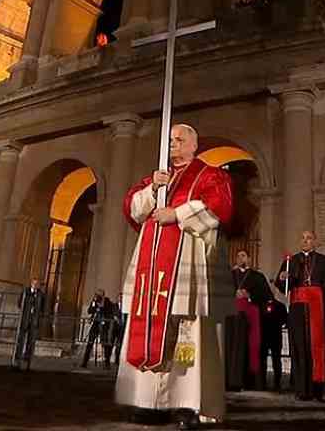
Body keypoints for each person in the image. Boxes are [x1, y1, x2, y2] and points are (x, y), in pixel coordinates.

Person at [116, 123, 235, 430]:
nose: (173, 144)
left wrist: (177, 214)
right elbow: (132, 210)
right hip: (150, 269)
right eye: (170, 140)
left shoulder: (211, 175)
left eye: (180, 139)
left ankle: (186, 404)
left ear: (195, 145)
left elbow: (220, 208)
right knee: (146, 329)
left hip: (186, 267)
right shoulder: (156, 176)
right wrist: (152, 189)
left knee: (187, 332)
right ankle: (146, 403)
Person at [275, 230, 325, 401]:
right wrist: (282, 278)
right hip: (297, 309)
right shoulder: (291, 261)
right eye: (302, 238)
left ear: (315, 242)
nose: (305, 241)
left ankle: (320, 390)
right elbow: (283, 287)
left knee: (318, 348)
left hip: (319, 307)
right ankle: (302, 390)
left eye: (309, 238)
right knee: (300, 348)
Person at [226, 250, 273, 391]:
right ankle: (231, 381)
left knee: (250, 347)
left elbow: (267, 296)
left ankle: (249, 381)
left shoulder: (257, 276)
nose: (241, 258)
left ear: (250, 259)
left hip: (250, 318)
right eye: (238, 256)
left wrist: (250, 295)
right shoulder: (229, 276)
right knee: (232, 348)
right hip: (232, 319)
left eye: (244, 256)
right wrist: (233, 293)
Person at [14, 277, 45, 370]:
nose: (35, 285)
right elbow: (20, 304)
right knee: (21, 338)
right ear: (31, 284)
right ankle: (18, 355)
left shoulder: (41, 294)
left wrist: (38, 315)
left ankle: (27, 357)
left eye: (37, 284)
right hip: (25, 318)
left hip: (34, 320)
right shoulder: (25, 292)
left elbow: (42, 307)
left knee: (31, 340)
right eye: (34, 284)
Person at [81, 289, 114, 369]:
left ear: (103, 295)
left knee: (105, 344)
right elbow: (90, 311)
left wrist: (101, 307)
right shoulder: (94, 301)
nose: (97, 297)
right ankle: (84, 362)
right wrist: (94, 305)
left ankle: (107, 363)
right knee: (90, 343)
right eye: (96, 295)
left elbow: (110, 313)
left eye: (99, 295)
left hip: (104, 325)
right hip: (95, 324)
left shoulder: (108, 302)